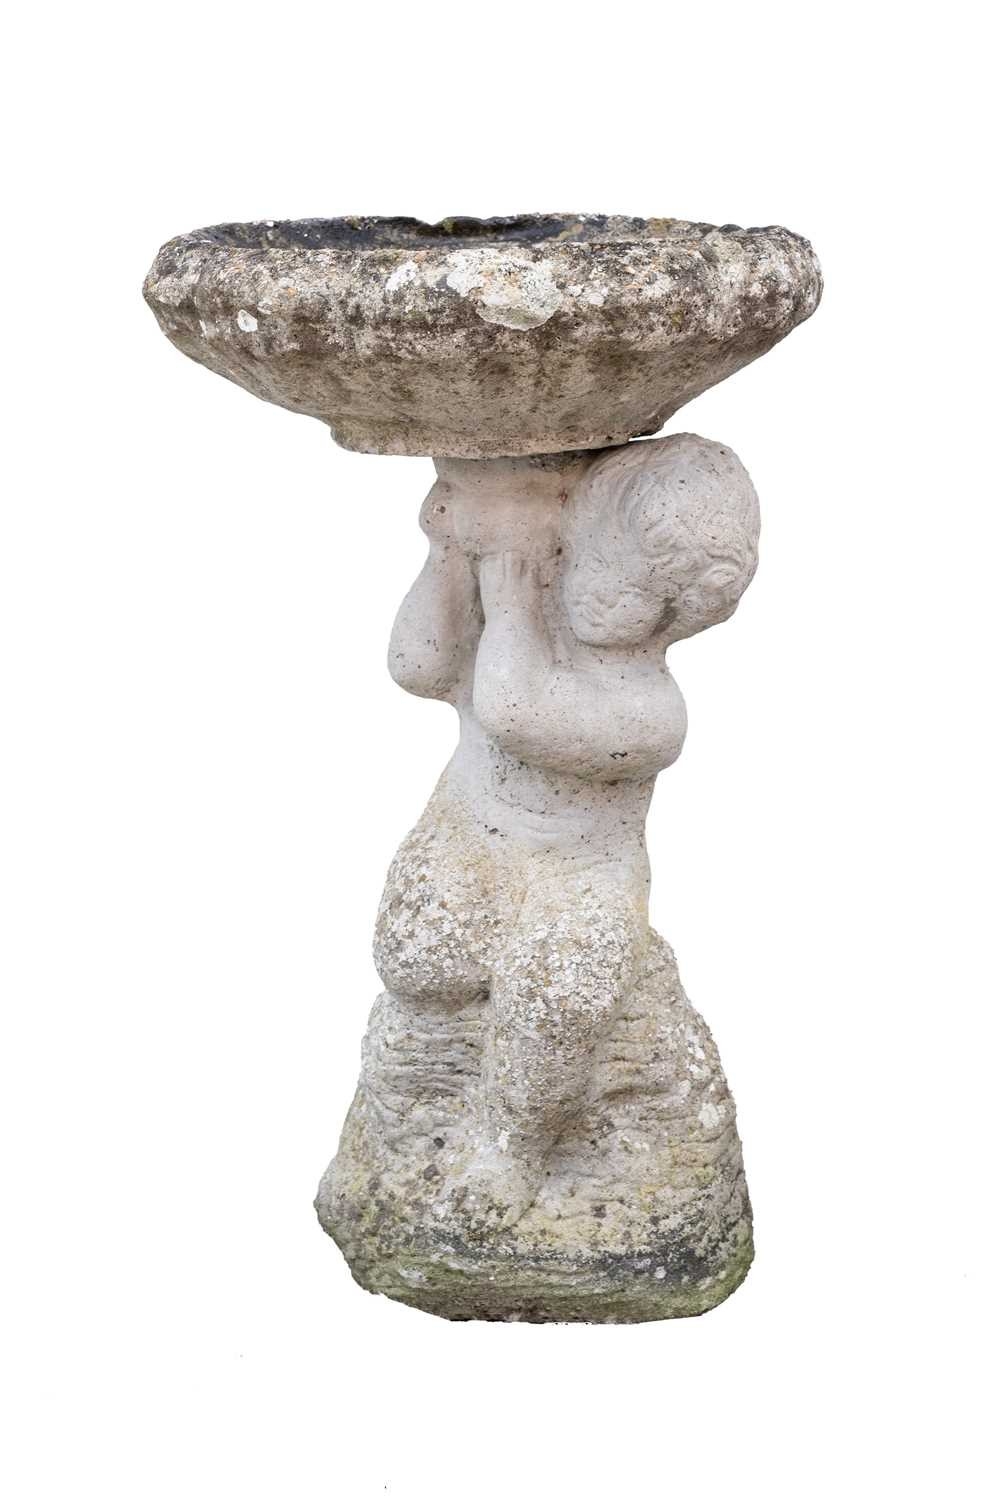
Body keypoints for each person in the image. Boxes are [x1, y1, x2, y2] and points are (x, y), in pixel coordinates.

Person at [374, 435, 759, 1228]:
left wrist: (512, 592)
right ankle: (444, 1083)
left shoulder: (650, 710)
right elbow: (417, 664)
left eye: (654, 594)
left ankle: (512, 1143)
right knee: (418, 960)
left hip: (582, 877)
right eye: (608, 567)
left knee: (560, 996)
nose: (622, 603)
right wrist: (449, 556)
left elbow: (514, 710)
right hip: (472, 832)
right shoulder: (515, 608)